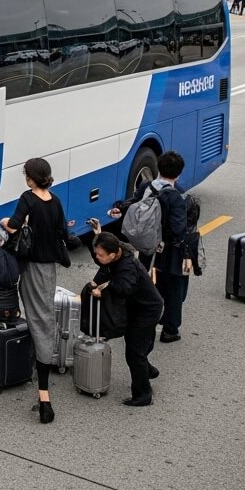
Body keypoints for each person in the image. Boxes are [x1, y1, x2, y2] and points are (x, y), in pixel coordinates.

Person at [0, 157, 73, 424]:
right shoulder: (54, 201)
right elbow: (63, 231)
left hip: (32, 268)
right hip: (49, 268)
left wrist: (6, 221)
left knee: (41, 321)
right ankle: (35, 363)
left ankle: (44, 397)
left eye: (26, 175)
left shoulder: (28, 198)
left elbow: (14, 226)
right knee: (41, 316)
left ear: (31, 178)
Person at [109, 150, 189, 343]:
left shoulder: (147, 185)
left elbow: (134, 203)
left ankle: (139, 318)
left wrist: (119, 208)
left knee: (146, 282)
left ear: (159, 168)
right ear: (178, 173)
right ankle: (170, 328)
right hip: (169, 251)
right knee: (175, 287)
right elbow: (178, 229)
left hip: (146, 247)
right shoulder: (177, 196)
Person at [87, 229, 163, 407]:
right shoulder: (116, 257)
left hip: (147, 310)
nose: (97, 258)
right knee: (135, 342)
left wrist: (103, 290)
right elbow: (105, 269)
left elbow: (123, 288)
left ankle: (143, 394)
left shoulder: (127, 267)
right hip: (137, 307)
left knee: (134, 353)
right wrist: (95, 282)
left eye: (100, 255)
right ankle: (147, 370)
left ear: (113, 254)